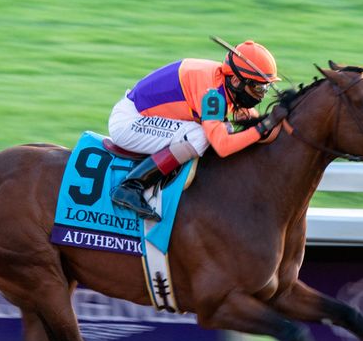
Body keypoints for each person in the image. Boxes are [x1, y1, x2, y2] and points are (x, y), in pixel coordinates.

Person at [108, 39, 288, 221]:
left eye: (265, 88)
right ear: (236, 80)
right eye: (257, 87)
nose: (261, 94)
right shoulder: (212, 94)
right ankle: (131, 186)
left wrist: (273, 124)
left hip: (144, 116)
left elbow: (249, 120)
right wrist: (264, 125)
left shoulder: (226, 84)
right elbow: (223, 146)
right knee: (200, 136)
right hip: (130, 123)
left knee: (224, 127)